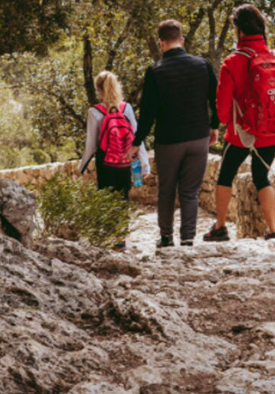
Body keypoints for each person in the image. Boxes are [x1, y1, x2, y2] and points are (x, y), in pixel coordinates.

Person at [205, 4, 275, 243]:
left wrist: (227, 122)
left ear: (239, 30)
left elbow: (223, 105)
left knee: (226, 175)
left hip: (240, 133)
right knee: (261, 176)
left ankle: (220, 227)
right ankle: (273, 230)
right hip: (271, 130)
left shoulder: (233, 61)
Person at [130, 20, 219, 248]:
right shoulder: (202, 65)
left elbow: (148, 113)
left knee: (167, 190)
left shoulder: (155, 71)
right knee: (190, 191)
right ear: (182, 40)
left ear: (161, 43)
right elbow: (215, 98)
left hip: (168, 141)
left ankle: (166, 237)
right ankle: (188, 238)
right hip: (198, 136)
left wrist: (137, 141)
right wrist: (214, 126)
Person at [78, 71, 151, 250]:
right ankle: (120, 239)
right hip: (124, 160)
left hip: (105, 162)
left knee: (106, 197)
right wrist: (145, 164)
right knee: (122, 197)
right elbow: (137, 137)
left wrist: (82, 166)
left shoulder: (94, 112)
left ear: (99, 90)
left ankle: (108, 236)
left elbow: (91, 144)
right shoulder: (126, 108)